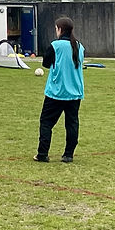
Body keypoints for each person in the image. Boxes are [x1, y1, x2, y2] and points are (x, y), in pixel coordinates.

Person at [35, 16, 85, 163]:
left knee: (46, 123)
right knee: (72, 124)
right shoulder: (80, 46)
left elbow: (46, 63)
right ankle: (68, 155)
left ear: (60, 29)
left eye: (56, 28)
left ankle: (42, 154)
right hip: (75, 93)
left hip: (56, 92)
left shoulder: (55, 46)